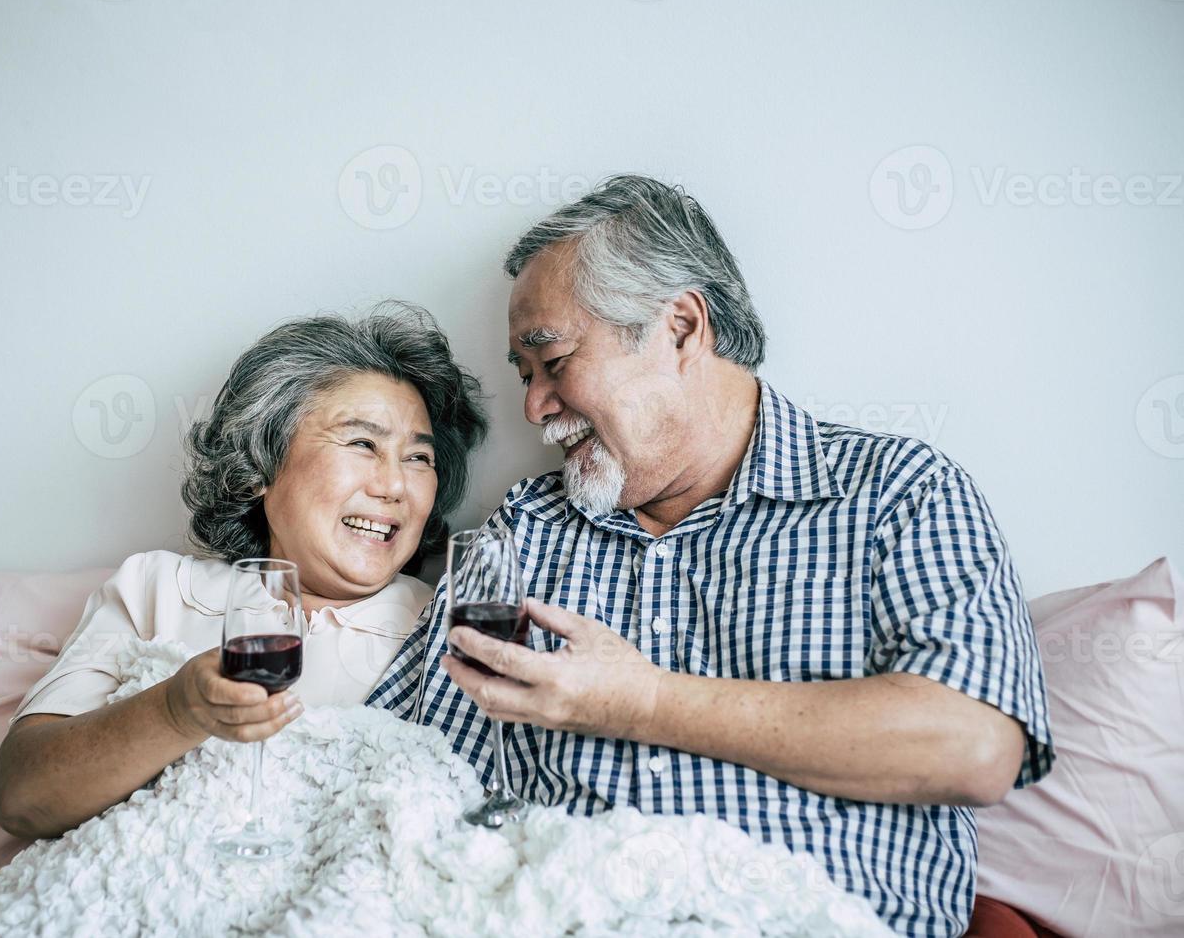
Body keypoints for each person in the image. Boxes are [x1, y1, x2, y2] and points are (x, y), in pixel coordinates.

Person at [367, 176, 1053, 938]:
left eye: (552, 361)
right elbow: (404, 773)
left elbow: (976, 747)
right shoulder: (526, 530)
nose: (534, 406)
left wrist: (645, 702)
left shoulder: (898, 494)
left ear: (684, 328)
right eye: (525, 377)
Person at [0, 303, 487, 840]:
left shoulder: (446, 629)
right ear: (260, 469)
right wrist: (178, 710)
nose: (393, 486)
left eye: (418, 458)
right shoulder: (155, 590)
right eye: (363, 443)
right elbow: (23, 798)